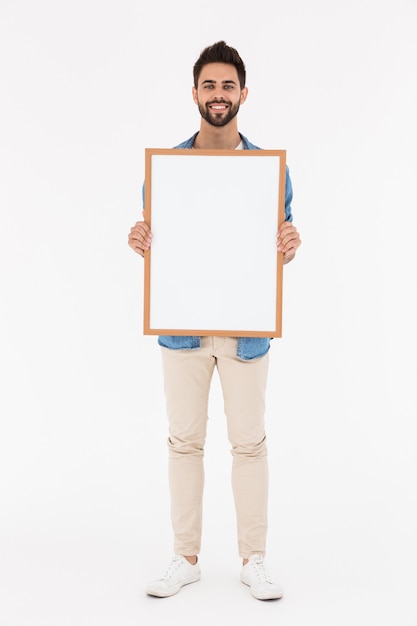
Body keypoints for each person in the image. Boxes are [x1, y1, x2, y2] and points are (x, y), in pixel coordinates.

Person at [128, 41, 301, 600]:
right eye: (210, 85)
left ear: (243, 94)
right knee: (184, 443)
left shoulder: (269, 168)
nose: (219, 94)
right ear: (195, 93)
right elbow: (158, 235)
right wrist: (142, 239)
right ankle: (186, 557)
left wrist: (289, 243)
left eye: (228, 85)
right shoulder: (169, 167)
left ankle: (255, 559)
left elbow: (281, 237)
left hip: (246, 329)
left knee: (249, 443)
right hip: (182, 327)